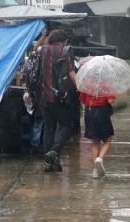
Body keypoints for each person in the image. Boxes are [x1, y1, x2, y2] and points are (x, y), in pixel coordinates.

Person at [39, 29, 77, 172]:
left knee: (49, 128)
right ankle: (54, 151)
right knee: (66, 125)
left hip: (44, 96)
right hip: (61, 96)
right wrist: (81, 87)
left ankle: (48, 163)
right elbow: (71, 73)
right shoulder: (66, 50)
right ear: (64, 40)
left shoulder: (43, 50)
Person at [79, 91, 115, 179]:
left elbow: (82, 100)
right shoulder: (105, 84)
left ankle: (95, 171)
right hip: (102, 111)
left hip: (89, 111)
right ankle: (100, 158)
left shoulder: (87, 84)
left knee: (95, 141)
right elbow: (110, 101)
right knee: (107, 139)